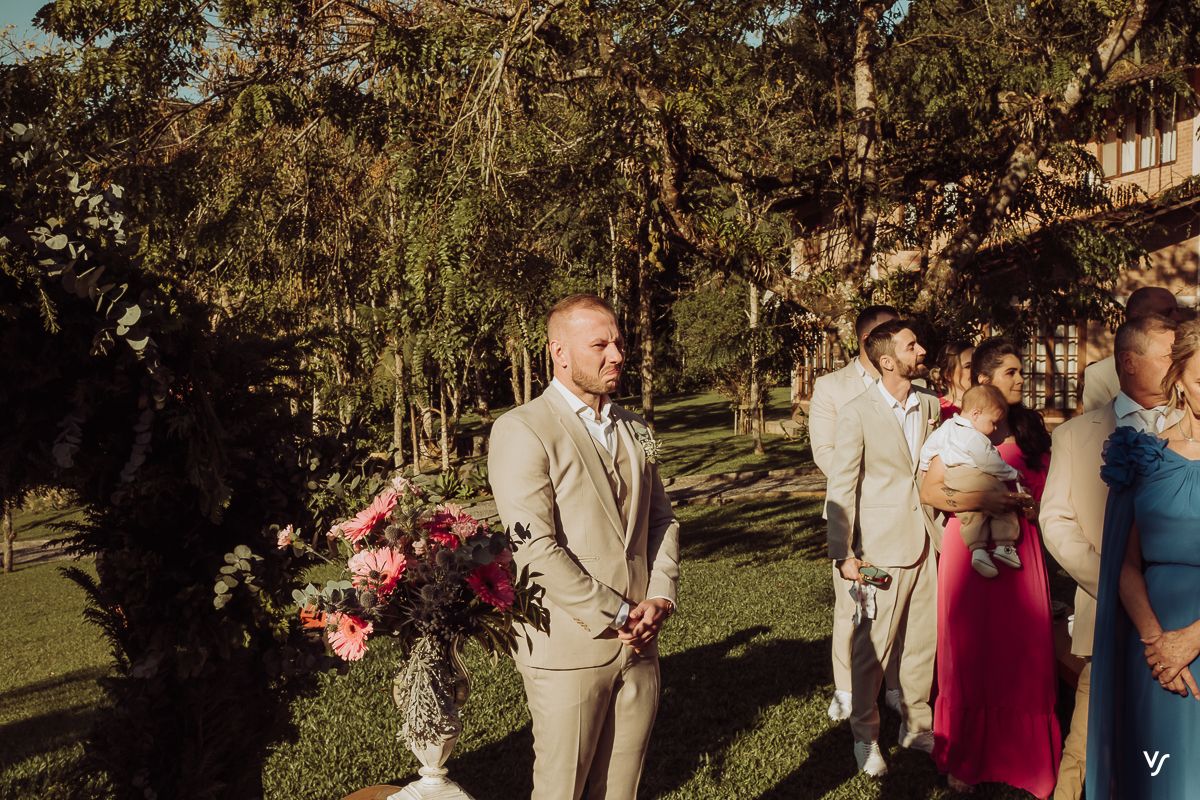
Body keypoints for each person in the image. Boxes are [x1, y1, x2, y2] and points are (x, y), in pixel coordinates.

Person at [488, 294, 681, 800]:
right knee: (561, 790)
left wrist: (660, 596)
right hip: (566, 649)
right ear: (560, 352)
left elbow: (660, 519)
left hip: (641, 645)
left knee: (622, 790)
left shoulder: (636, 428)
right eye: (600, 344)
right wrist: (617, 612)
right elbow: (534, 548)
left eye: (618, 342)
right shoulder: (522, 428)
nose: (617, 354)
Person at [1040, 313, 1178, 800]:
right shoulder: (1075, 436)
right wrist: (1112, 580)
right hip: (1106, 609)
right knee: (1087, 737)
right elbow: (1056, 522)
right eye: (1168, 355)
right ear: (1129, 362)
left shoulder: (1192, 428)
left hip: (1180, 611)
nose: (1179, 365)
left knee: (1167, 740)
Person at [920, 337, 1061, 797]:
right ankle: (967, 755)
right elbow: (930, 490)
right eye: (1011, 372)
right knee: (971, 652)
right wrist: (983, 499)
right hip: (969, 551)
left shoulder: (1032, 429)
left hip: (1023, 549)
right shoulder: (957, 429)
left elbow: (1050, 492)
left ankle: (1028, 760)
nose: (1021, 379)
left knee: (1024, 655)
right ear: (983, 380)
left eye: (1022, 372)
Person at [1086, 319, 1200, 799]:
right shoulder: (1141, 454)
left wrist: (1191, 641)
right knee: (1159, 779)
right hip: (1152, 654)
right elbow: (1123, 563)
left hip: (1191, 644)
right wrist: (1158, 644)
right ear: (1179, 379)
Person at [825, 319, 942, 777]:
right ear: (888, 360)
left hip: (927, 542)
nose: (922, 349)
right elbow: (842, 483)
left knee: (921, 641)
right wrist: (844, 552)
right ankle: (865, 736)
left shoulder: (930, 404)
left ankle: (916, 725)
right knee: (871, 647)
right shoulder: (856, 411)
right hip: (878, 549)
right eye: (913, 345)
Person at [808, 304, 904, 722]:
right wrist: (871, 485)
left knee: (898, 603)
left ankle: (895, 685)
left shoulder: (909, 388)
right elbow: (826, 454)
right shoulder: (832, 387)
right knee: (852, 606)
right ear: (869, 342)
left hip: (901, 518)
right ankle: (846, 687)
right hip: (856, 516)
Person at [919, 384, 1021, 579]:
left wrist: (924, 465)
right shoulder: (974, 437)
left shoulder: (947, 427)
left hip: (954, 477)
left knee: (972, 516)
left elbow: (928, 447)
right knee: (1001, 499)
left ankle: (978, 550)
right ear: (976, 414)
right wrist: (1011, 473)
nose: (995, 427)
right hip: (971, 475)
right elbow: (988, 462)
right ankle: (1005, 544)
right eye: (993, 422)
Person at [1082, 286, 1178, 412]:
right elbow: (1098, 425)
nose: (1177, 318)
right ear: (1136, 317)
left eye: (1177, 310)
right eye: (1166, 313)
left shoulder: (1188, 365)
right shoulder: (1100, 375)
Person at [933, 341, 975, 420]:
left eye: (977, 364)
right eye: (968, 366)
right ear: (948, 374)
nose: (975, 369)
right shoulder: (937, 409)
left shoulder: (990, 401)